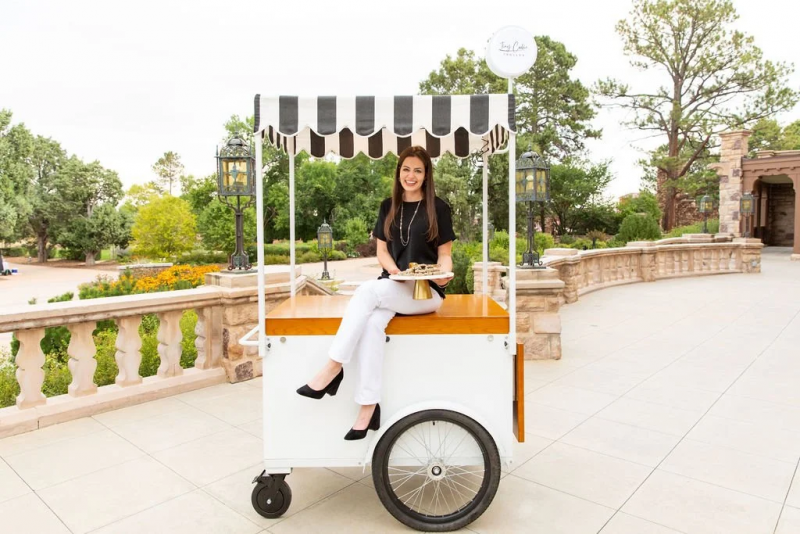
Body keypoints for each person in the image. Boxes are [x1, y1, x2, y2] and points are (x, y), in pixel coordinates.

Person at [296, 145, 456, 440]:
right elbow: (382, 251)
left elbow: (445, 254)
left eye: (418, 170)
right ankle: (368, 409)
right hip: (394, 285)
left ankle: (333, 368)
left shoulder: (439, 207)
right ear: (399, 172)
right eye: (406, 169)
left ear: (426, 174)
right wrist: (395, 271)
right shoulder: (388, 206)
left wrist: (444, 273)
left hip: (426, 292)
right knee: (371, 324)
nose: (411, 175)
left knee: (367, 292)